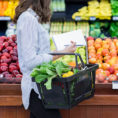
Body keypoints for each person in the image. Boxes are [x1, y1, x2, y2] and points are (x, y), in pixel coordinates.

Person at [14, 0, 76, 118]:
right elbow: (30, 61)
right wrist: (61, 53)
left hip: (41, 88)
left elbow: (39, 53)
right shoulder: (28, 19)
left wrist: (63, 50)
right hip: (35, 89)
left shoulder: (31, 17)